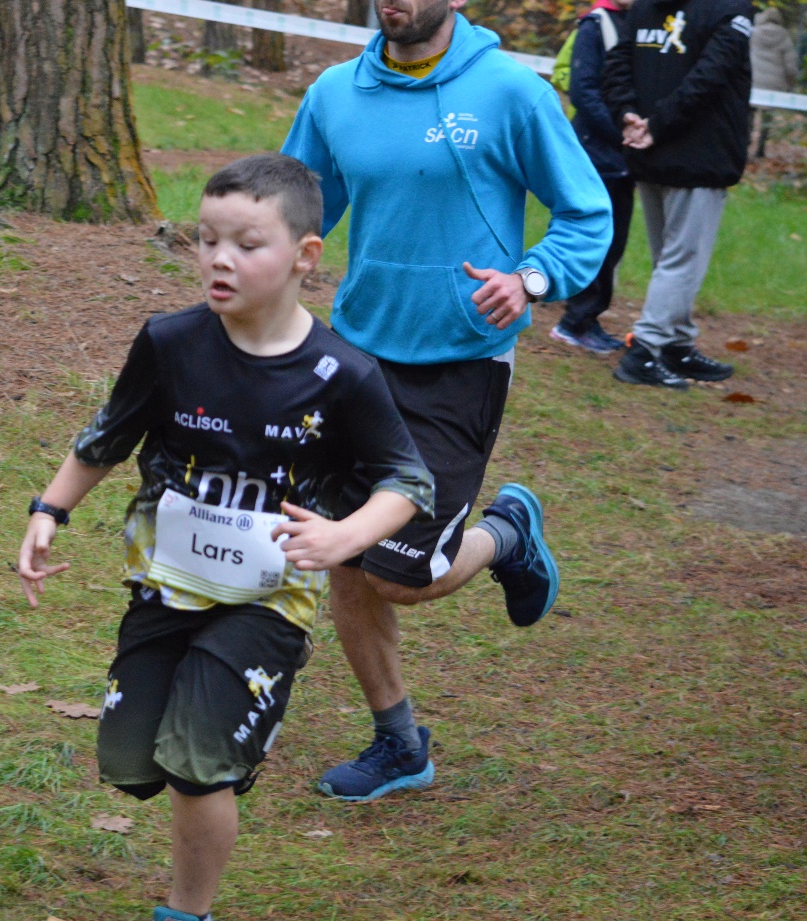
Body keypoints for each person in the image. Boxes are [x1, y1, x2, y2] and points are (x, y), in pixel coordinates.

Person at [17, 154, 435, 921]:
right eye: (207, 240)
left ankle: (186, 909)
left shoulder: (344, 374)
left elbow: (407, 483)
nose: (218, 259)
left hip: (269, 602)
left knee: (194, 766)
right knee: (132, 761)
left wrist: (345, 535)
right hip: (165, 585)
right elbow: (107, 436)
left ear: (306, 256)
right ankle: (230, 735)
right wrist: (51, 508)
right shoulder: (171, 343)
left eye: (246, 243)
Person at [281, 0, 613, 801]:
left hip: (461, 360)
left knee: (404, 575)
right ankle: (398, 743)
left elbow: (585, 210)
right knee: (343, 550)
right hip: (357, 352)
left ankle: (506, 532)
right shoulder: (334, 93)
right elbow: (296, 210)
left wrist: (530, 278)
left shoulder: (510, 92)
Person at [603, 0, 755, 389]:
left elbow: (618, 64)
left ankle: (676, 344)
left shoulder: (643, 8)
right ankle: (646, 349)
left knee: (668, 260)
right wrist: (643, 120)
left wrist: (631, 117)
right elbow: (709, 78)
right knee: (681, 261)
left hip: (651, 147)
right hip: (695, 155)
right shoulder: (729, 9)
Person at [551, 0, 638, 354]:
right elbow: (582, 89)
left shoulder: (637, 23)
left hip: (625, 154)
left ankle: (587, 317)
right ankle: (574, 322)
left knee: (615, 242)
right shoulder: (594, 26)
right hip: (596, 152)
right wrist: (618, 131)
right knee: (596, 238)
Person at [750, 8, 799, 159]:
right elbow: (790, 66)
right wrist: (790, 84)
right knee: (767, 116)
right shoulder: (784, 36)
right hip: (774, 83)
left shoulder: (754, 33)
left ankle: (746, 141)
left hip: (753, 80)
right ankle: (761, 148)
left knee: (749, 113)